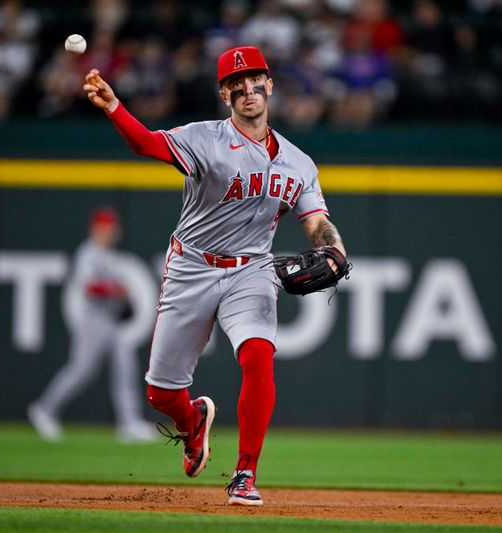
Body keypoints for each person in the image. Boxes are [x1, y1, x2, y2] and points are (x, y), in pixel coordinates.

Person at [82, 45, 347, 506]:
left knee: (258, 354)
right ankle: (192, 424)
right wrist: (114, 107)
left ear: (269, 86)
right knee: (161, 394)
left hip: (252, 268)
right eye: (236, 84)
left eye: (256, 81)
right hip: (191, 266)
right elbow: (147, 143)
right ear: (225, 93)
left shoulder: (300, 163)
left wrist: (335, 248)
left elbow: (315, 222)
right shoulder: (203, 138)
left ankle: (245, 473)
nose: (249, 90)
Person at [28, 207, 157, 444]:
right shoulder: (87, 253)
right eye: (105, 228)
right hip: (92, 320)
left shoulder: (108, 256)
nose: (110, 232)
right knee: (82, 369)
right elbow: (89, 287)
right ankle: (44, 408)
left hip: (109, 320)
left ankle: (129, 423)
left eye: (112, 228)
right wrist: (116, 290)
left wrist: (120, 296)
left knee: (124, 366)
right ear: (95, 228)